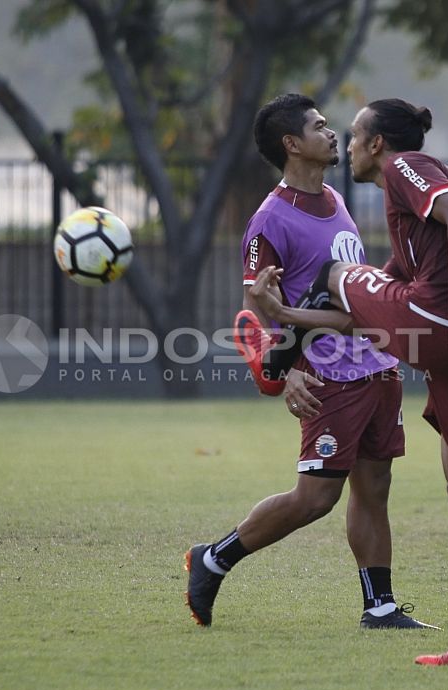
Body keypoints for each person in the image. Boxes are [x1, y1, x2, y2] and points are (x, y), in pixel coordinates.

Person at [248, 98, 448, 667]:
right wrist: (291, 321)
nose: (342, 140)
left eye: (350, 132)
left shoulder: (403, 167)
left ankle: (274, 362)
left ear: (376, 144)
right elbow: (359, 311)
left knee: (335, 274)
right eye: (324, 128)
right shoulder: (401, 228)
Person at [184, 94, 435, 632]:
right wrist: (289, 367)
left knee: (375, 486)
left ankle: (381, 607)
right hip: (327, 373)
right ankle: (214, 558)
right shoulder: (269, 219)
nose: (333, 133)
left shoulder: (335, 199)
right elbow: (258, 303)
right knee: (316, 497)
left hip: (374, 361)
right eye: (320, 127)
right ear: (292, 145)